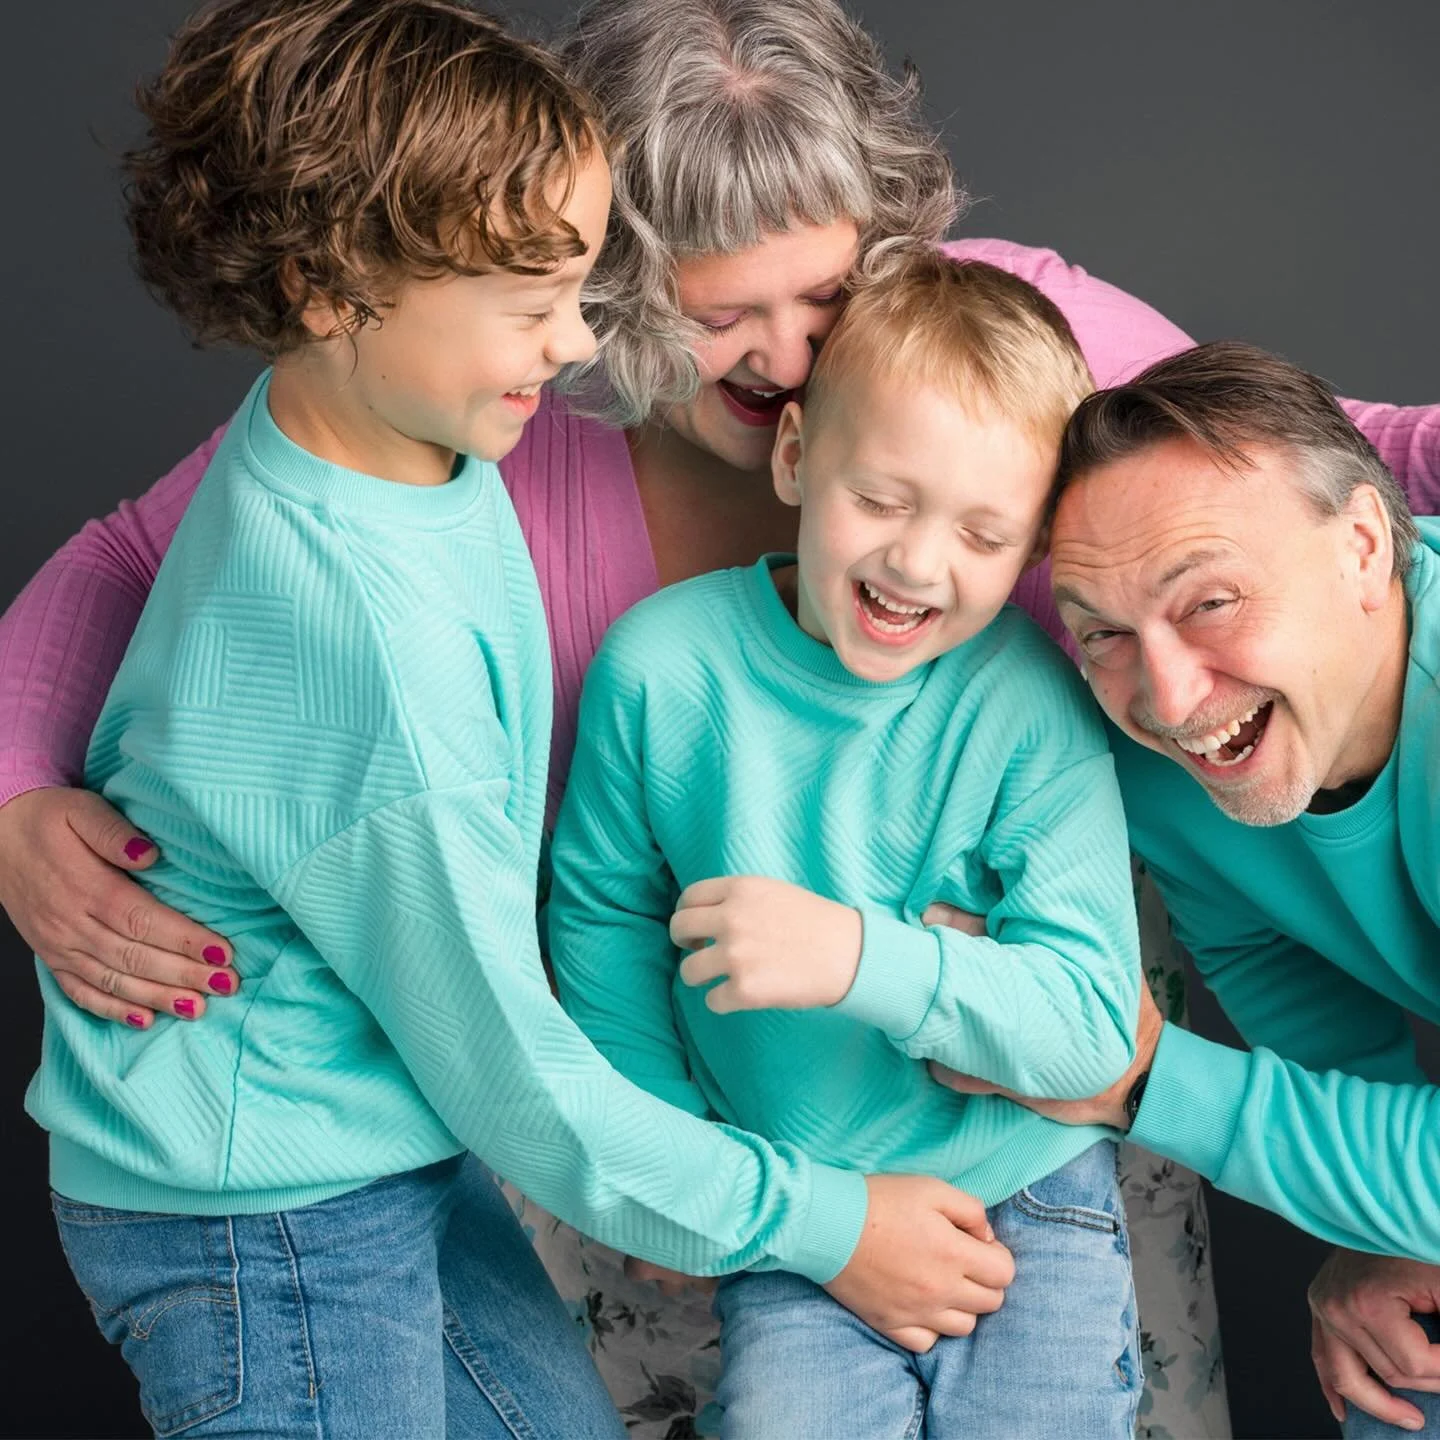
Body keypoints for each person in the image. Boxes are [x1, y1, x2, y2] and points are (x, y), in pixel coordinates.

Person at [7, 0, 1440, 1432]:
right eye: (720, 312)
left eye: (827, 294)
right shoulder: (484, 403)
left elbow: (1329, 464)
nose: (792, 351)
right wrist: (13, 785)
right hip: (652, 1117)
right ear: (603, 284)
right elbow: (150, 561)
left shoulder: (985, 353)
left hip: (1016, 1092)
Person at [29, 2, 1014, 1435]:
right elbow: (520, 1081)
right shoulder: (368, 655)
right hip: (263, 1221)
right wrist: (827, 1223)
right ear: (328, 286)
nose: (576, 345)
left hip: (383, 1145)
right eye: (531, 297)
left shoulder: (373, 430)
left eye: (582, 286)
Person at [549, 251, 1145, 1438]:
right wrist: (679, 1166)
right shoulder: (660, 672)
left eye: (984, 534)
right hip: (796, 1209)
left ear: (1032, 549)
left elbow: (1090, 1027)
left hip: (1024, 1195)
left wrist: (854, 957)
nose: (918, 564)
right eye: (881, 499)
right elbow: (602, 922)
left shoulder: (1031, 707)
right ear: (795, 455)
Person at [938, 340, 1440, 1438]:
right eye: (1105, 633)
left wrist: (1139, 1080)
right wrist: (1383, 1229)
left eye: (1210, 601)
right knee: (1401, 1376)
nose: (1165, 696)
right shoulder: (1167, 768)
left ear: (1362, 546)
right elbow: (1289, 978)